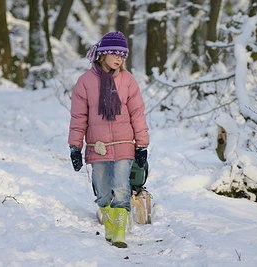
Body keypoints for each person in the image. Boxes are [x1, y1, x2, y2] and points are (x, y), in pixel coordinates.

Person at [68, 31, 149, 248]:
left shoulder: (128, 81)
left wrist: (141, 145)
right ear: (102, 54)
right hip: (98, 146)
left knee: (122, 188)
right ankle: (110, 227)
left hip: (124, 143)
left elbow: (137, 113)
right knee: (103, 191)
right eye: (115, 54)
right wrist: (75, 147)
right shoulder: (85, 82)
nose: (119, 59)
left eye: (123, 56)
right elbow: (79, 117)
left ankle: (120, 233)